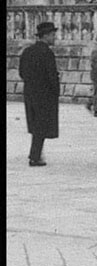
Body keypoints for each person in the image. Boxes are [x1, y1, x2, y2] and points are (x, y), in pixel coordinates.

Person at [19, 22, 60, 166]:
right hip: (45, 94)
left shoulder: (27, 51)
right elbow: (52, 76)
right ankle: (35, 156)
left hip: (30, 92)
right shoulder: (47, 53)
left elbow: (21, 72)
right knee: (41, 126)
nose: (54, 38)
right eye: (53, 35)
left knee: (36, 125)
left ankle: (35, 153)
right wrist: (55, 91)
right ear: (46, 35)